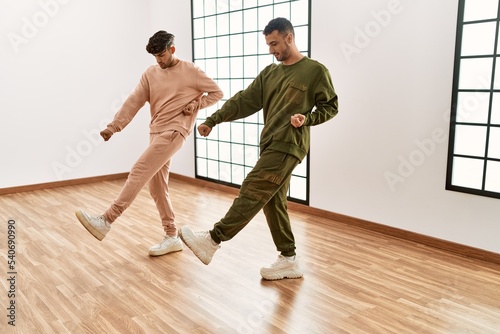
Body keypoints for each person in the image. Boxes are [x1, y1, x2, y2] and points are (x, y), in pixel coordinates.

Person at [180, 18, 339, 280]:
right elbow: (243, 100)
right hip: (270, 144)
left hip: (290, 144)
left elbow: (330, 106)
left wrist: (307, 119)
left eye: (274, 43)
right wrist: (213, 119)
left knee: (253, 188)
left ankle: (213, 239)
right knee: (273, 201)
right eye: (268, 44)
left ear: (289, 38)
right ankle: (289, 259)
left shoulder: (314, 71)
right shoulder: (270, 73)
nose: (271, 50)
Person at [75, 31, 223, 257]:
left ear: (172, 49)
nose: (159, 61)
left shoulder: (191, 71)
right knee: (157, 187)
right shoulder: (150, 73)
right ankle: (172, 236)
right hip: (156, 131)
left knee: (138, 170)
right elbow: (133, 101)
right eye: (155, 57)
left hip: (175, 131)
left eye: (162, 55)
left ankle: (106, 220)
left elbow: (217, 92)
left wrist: (196, 105)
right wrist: (114, 126)